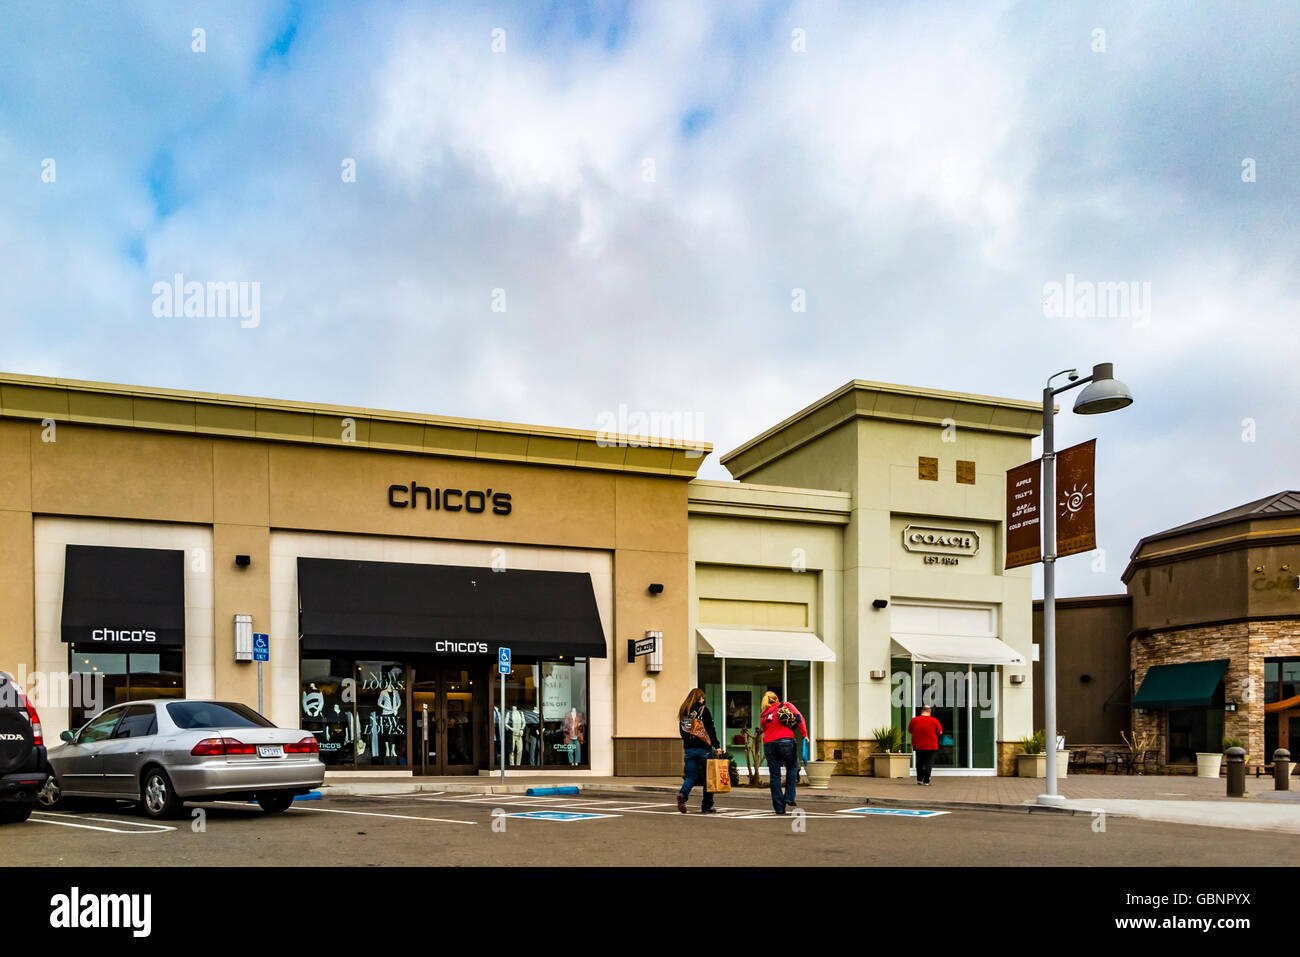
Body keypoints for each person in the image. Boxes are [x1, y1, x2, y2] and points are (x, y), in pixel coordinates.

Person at [759, 691, 807, 814]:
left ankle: (779, 808)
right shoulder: (786, 706)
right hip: (786, 742)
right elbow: (799, 718)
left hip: (769, 745)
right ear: (777, 699)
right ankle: (789, 797)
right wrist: (804, 735)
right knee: (792, 768)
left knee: (775, 776)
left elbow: (765, 730)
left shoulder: (764, 715)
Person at [677, 688, 723, 814]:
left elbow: (683, 731)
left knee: (691, 776)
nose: (704, 700)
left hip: (689, 749)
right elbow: (710, 729)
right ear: (700, 698)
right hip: (704, 749)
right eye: (703, 698)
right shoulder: (703, 709)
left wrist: (688, 742)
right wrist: (717, 745)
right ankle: (707, 806)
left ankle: (683, 794)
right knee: (708, 778)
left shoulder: (684, 710)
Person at [907, 706, 943, 786]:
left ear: (921, 711)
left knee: (919, 762)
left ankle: (919, 779)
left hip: (918, 745)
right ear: (929, 712)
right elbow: (940, 732)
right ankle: (926, 781)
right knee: (928, 763)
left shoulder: (914, 720)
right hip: (931, 745)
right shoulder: (934, 720)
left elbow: (910, 731)